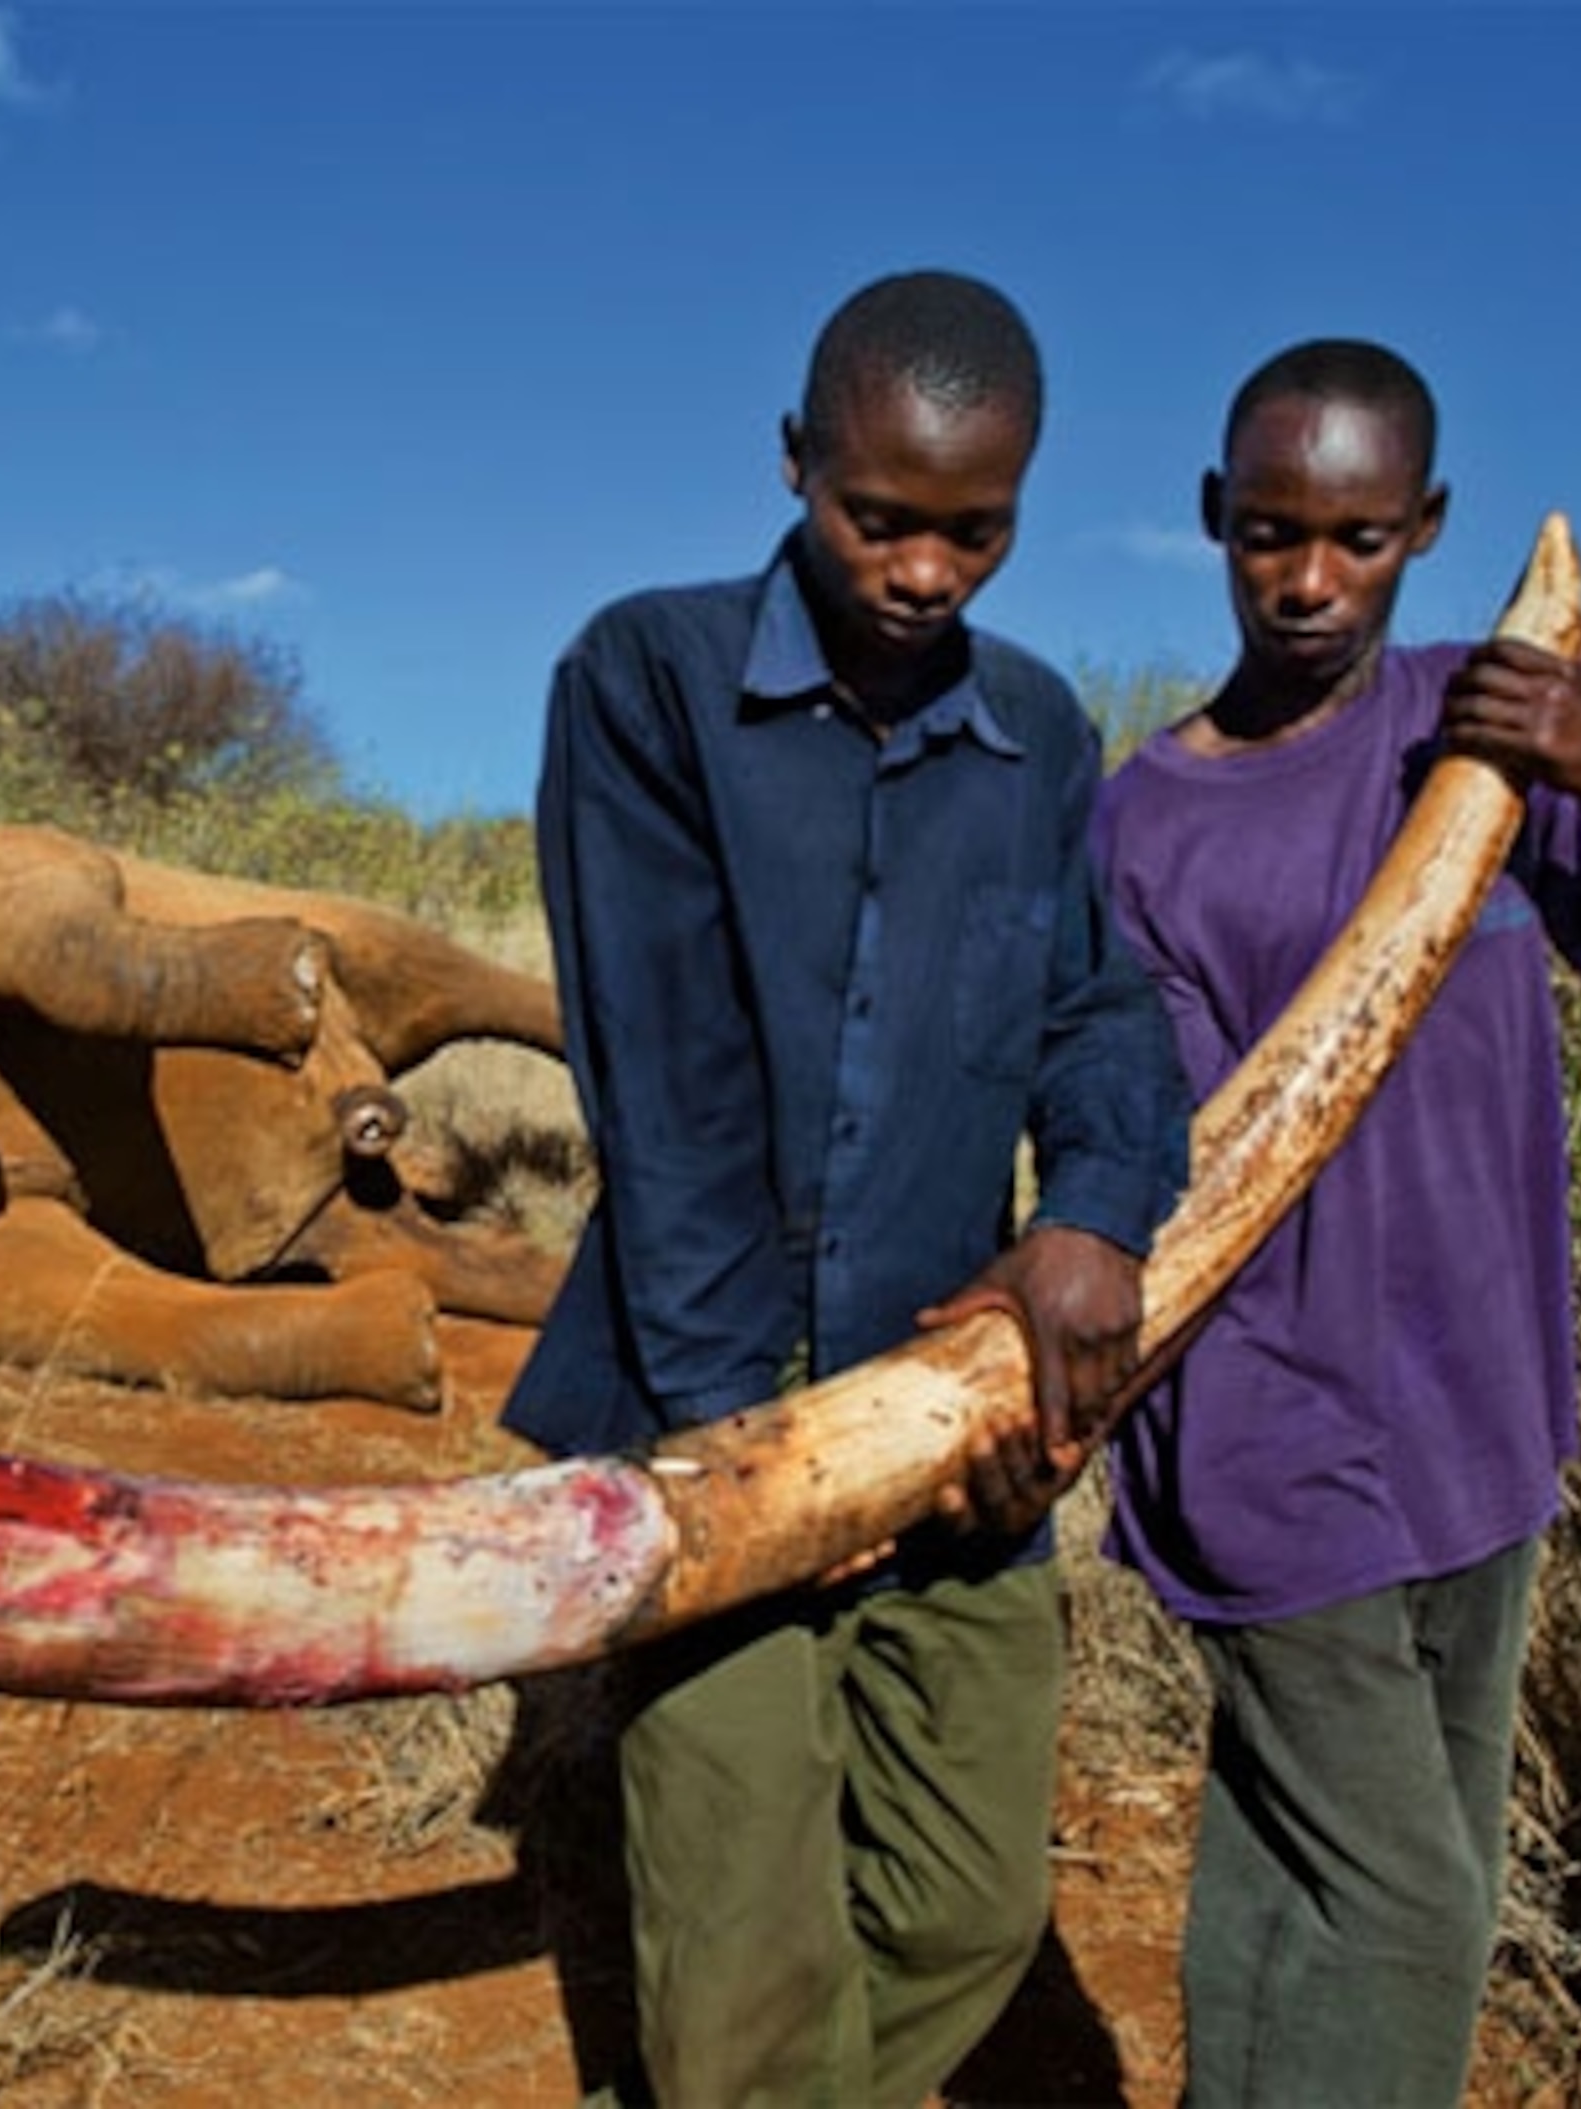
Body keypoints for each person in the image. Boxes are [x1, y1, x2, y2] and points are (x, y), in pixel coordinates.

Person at [502, 269, 1191, 2107]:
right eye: (874, 514)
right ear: (794, 459)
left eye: (974, 528)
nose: (921, 569)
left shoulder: (1039, 731)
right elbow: (666, 1096)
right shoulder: (644, 676)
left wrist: (1095, 1212)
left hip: (967, 1430)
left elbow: (1093, 1003)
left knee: (966, 1902)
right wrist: (792, 1471)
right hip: (709, 1420)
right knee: (742, 1938)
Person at [1089, 339, 1581, 2107]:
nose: (1308, 580)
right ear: (1213, 520)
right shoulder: (1141, 820)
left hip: (1482, 1418)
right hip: (1262, 1430)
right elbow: (1171, 1152)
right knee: (1415, 1902)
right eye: (1271, 533)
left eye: (1357, 538)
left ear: (1424, 526)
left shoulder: (1495, 724)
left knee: (1299, 1848)